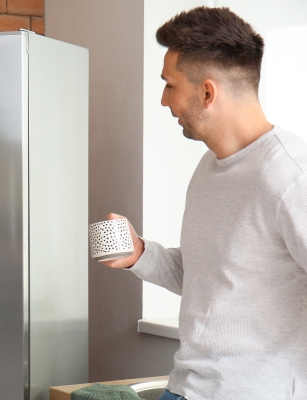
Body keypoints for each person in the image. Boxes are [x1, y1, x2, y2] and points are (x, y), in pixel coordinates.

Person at [101, 7, 307, 400]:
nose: (164, 101)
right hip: (186, 388)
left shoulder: (291, 176)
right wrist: (139, 253)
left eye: (170, 85)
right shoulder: (210, 168)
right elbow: (208, 280)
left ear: (207, 92)